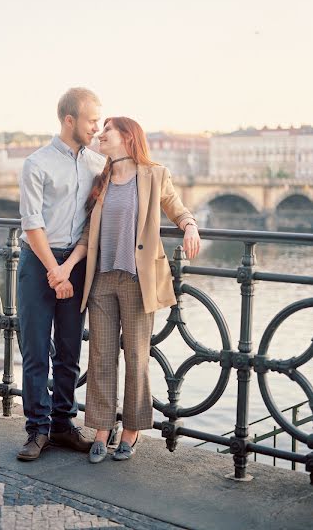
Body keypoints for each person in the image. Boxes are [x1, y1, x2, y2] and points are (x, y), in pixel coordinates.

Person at [47, 116, 201, 463]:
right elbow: (89, 235)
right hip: (101, 280)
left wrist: (189, 225)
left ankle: (131, 430)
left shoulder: (154, 174)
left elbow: (175, 206)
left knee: (136, 356)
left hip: (136, 280)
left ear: (128, 138)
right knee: (101, 356)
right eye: (99, 132)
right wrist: (68, 266)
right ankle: (102, 428)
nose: (99, 136)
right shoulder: (100, 180)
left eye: (107, 132)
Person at [16, 87, 105, 461]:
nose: (97, 128)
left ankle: (64, 425)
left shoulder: (97, 165)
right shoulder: (36, 164)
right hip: (39, 262)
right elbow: (32, 224)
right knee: (35, 348)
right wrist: (56, 272)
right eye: (91, 120)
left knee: (69, 348)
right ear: (70, 120)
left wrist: (186, 219)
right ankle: (37, 429)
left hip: (77, 263)